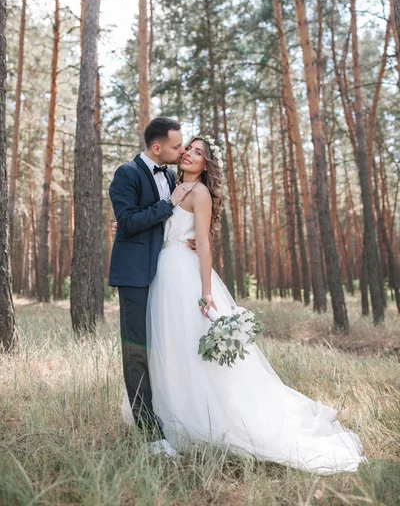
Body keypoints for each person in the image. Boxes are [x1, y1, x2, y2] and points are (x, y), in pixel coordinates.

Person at [122, 134, 366, 474]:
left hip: (184, 277)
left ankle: (207, 419)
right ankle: (169, 416)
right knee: (170, 349)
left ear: (207, 164)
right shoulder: (169, 188)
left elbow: (204, 242)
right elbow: (151, 222)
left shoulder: (200, 192)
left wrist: (206, 291)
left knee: (193, 348)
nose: (190, 154)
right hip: (160, 276)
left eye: (199, 152)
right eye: (188, 149)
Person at [109, 117, 195, 457]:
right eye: (177, 146)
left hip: (169, 275)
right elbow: (128, 223)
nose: (182, 150)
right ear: (157, 148)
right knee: (137, 352)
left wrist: (191, 241)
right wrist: (168, 204)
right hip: (135, 275)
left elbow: (177, 219)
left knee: (166, 349)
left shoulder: (174, 176)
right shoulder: (126, 174)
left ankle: (176, 419)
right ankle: (150, 435)